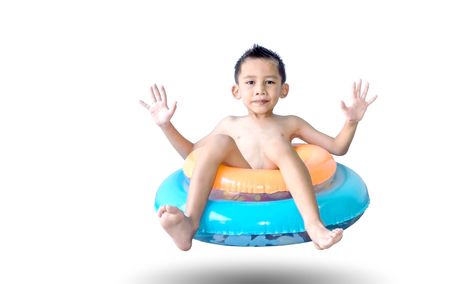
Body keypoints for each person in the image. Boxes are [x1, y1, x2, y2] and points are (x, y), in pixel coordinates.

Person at [140, 44, 377, 251]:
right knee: (219, 141)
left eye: (270, 82)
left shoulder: (290, 123)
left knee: (278, 145)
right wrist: (166, 125)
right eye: (251, 82)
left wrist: (352, 121)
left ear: (284, 89)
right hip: (237, 186)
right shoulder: (230, 124)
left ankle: (314, 225)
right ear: (236, 91)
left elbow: (337, 147)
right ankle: (189, 223)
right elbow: (192, 155)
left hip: (279, 184)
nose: (260, 90)